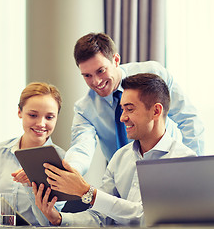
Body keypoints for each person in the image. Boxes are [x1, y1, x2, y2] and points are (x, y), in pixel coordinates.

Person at [32, 73, 197, 226]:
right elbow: (100, 217)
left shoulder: (184, 160)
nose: (122, 117)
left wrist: (87, 191)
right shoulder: (120, 157)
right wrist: (58, 218)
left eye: (130, 109)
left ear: (156, 111)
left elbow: (147, 218)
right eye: (122, 108)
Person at [65, 32, 204, 176]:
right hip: (124, 180)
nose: (96, 82)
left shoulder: (154, 74)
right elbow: (81, 147)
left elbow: (188, 119)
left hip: (168, 169)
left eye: (101, 71)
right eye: (87, 76)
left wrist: (193, 169)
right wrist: (70, 171)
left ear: (116, 60)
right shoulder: (85, 109)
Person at [0, 82, 66, 226]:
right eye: (33, 115)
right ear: (19, 112)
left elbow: (51, 222)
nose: (41, 123)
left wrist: (30, 186)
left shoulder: (63, 160)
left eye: (49, 117)